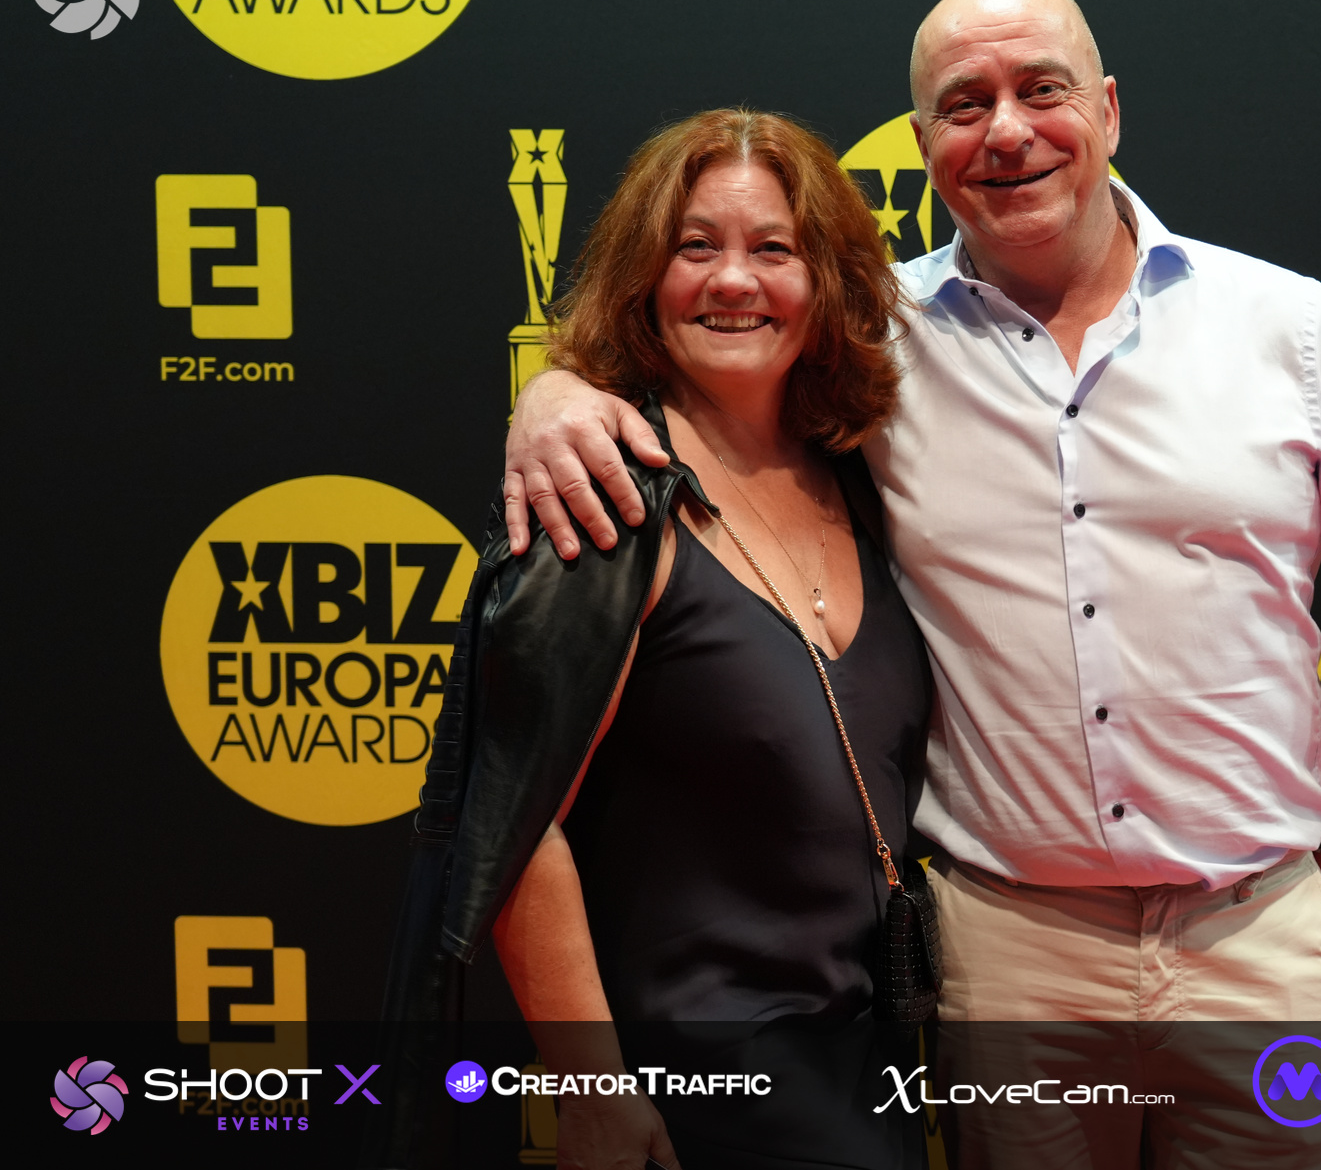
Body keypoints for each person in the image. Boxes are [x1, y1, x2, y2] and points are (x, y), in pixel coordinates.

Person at [501, 0, 1321, 1166]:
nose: (1005, 131)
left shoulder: (1286, 330)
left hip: (1259, 945)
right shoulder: (870, 341)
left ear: (1109, 110)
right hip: (1004, 955)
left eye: (1041, 90)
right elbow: (705, 353)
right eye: (962, 104)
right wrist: (554, 395)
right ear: (921, 142)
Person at [377, 109, 932, 1170]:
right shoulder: (599, 499)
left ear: (826, 283)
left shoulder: (860, 478)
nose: (734, 280)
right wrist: (595, 1093)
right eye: (696, 246)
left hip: (863, 1071)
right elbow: (520, 824)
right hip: (690, 1101)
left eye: (774, 248)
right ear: (644, 278)